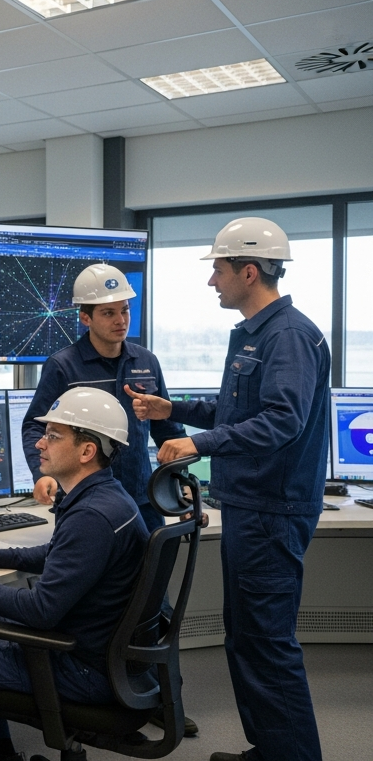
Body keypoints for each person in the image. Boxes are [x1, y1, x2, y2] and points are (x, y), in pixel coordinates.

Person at [128, 217, 328, 761]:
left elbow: (282, 420)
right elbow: (241, 410)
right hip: (254, 506)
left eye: (217, 270)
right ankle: (272, 749)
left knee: (266, 643)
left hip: (271, 509)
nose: (211, 281)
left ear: (248, 270)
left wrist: (200, 445)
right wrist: (176, 412)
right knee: (248, 640)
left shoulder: (286, 336)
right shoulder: (257, 333)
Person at [0, 388, 150, 761]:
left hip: (84, 668)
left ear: (87, 452)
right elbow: (61, 555)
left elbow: (41, 611)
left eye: (54, 436)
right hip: (106, 653)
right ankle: (0, 752)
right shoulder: (107, 497)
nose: (40, 443)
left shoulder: (91, 517)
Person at [24, 263, 187, 533]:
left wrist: (180, 490)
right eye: (108, 313)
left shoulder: (146, 360)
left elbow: (168, 431)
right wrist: (42, 473)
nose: (120, 320)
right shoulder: (63, 366)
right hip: (84, 504)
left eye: (124, 310)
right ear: (85, 318)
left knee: (148, 574)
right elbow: (35, 426)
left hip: (142, 501)